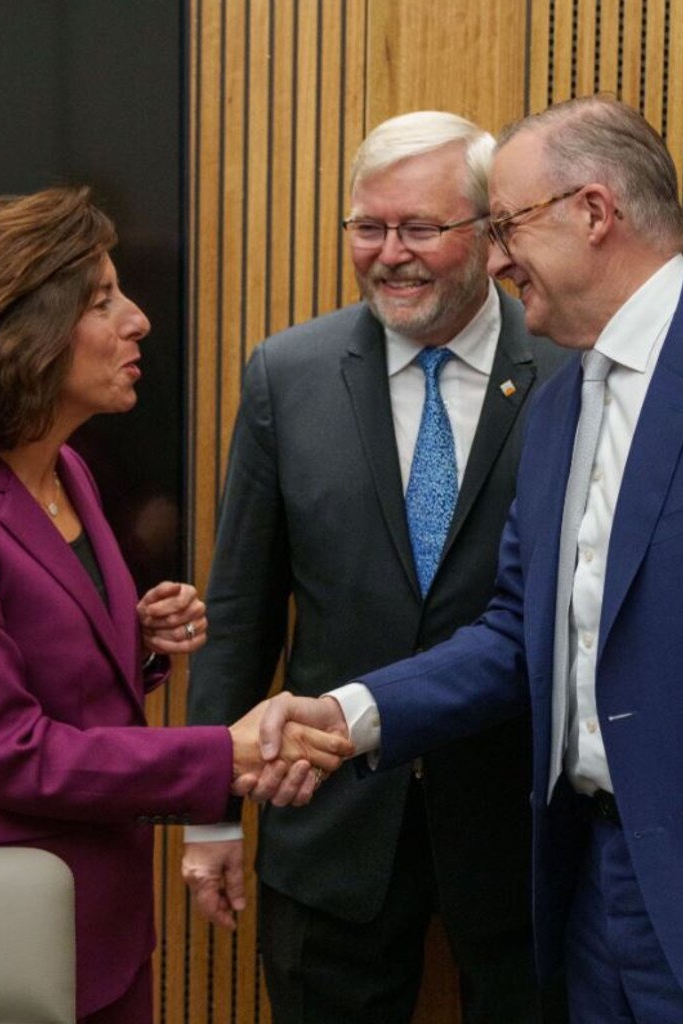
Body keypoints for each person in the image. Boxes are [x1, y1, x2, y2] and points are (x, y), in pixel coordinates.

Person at [255, 94, 683, 1024]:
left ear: (594, 213)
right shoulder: (563, 403)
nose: (492, 260)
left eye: (507, 226)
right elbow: (516, 633)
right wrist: (348, 711)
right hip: (590, 890)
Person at [183, 111, 568, 1024]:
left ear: (487, 234)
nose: (389, 253)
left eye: (420, 228)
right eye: (368, 226)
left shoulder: (569, 371)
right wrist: (207, 809)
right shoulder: (290, 373)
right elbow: (242, 608)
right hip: (329, 827)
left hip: (517, 835)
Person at [0, 186, 349, 1024]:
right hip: (16, 945)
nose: (139, 319)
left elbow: (63, 675)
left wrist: (139, 641)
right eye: (104, 299)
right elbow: (11, 751)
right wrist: (221, 754)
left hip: (104, 930)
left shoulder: (67, 471)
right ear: (28, 333)